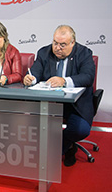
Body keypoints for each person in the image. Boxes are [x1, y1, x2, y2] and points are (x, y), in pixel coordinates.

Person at [24, 25, 95, 166]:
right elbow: (35, 72)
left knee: (80, 129)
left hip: (76, 105)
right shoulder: (44, 52)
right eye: (55, 43)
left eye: (63, 45)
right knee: (29, 123)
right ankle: (66, 147)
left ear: (72, 43)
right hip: (49, 102)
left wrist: (64, 81)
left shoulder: (84, 53)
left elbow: (88, 77)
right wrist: (31, 79)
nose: (57, 48)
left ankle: (60, 147)